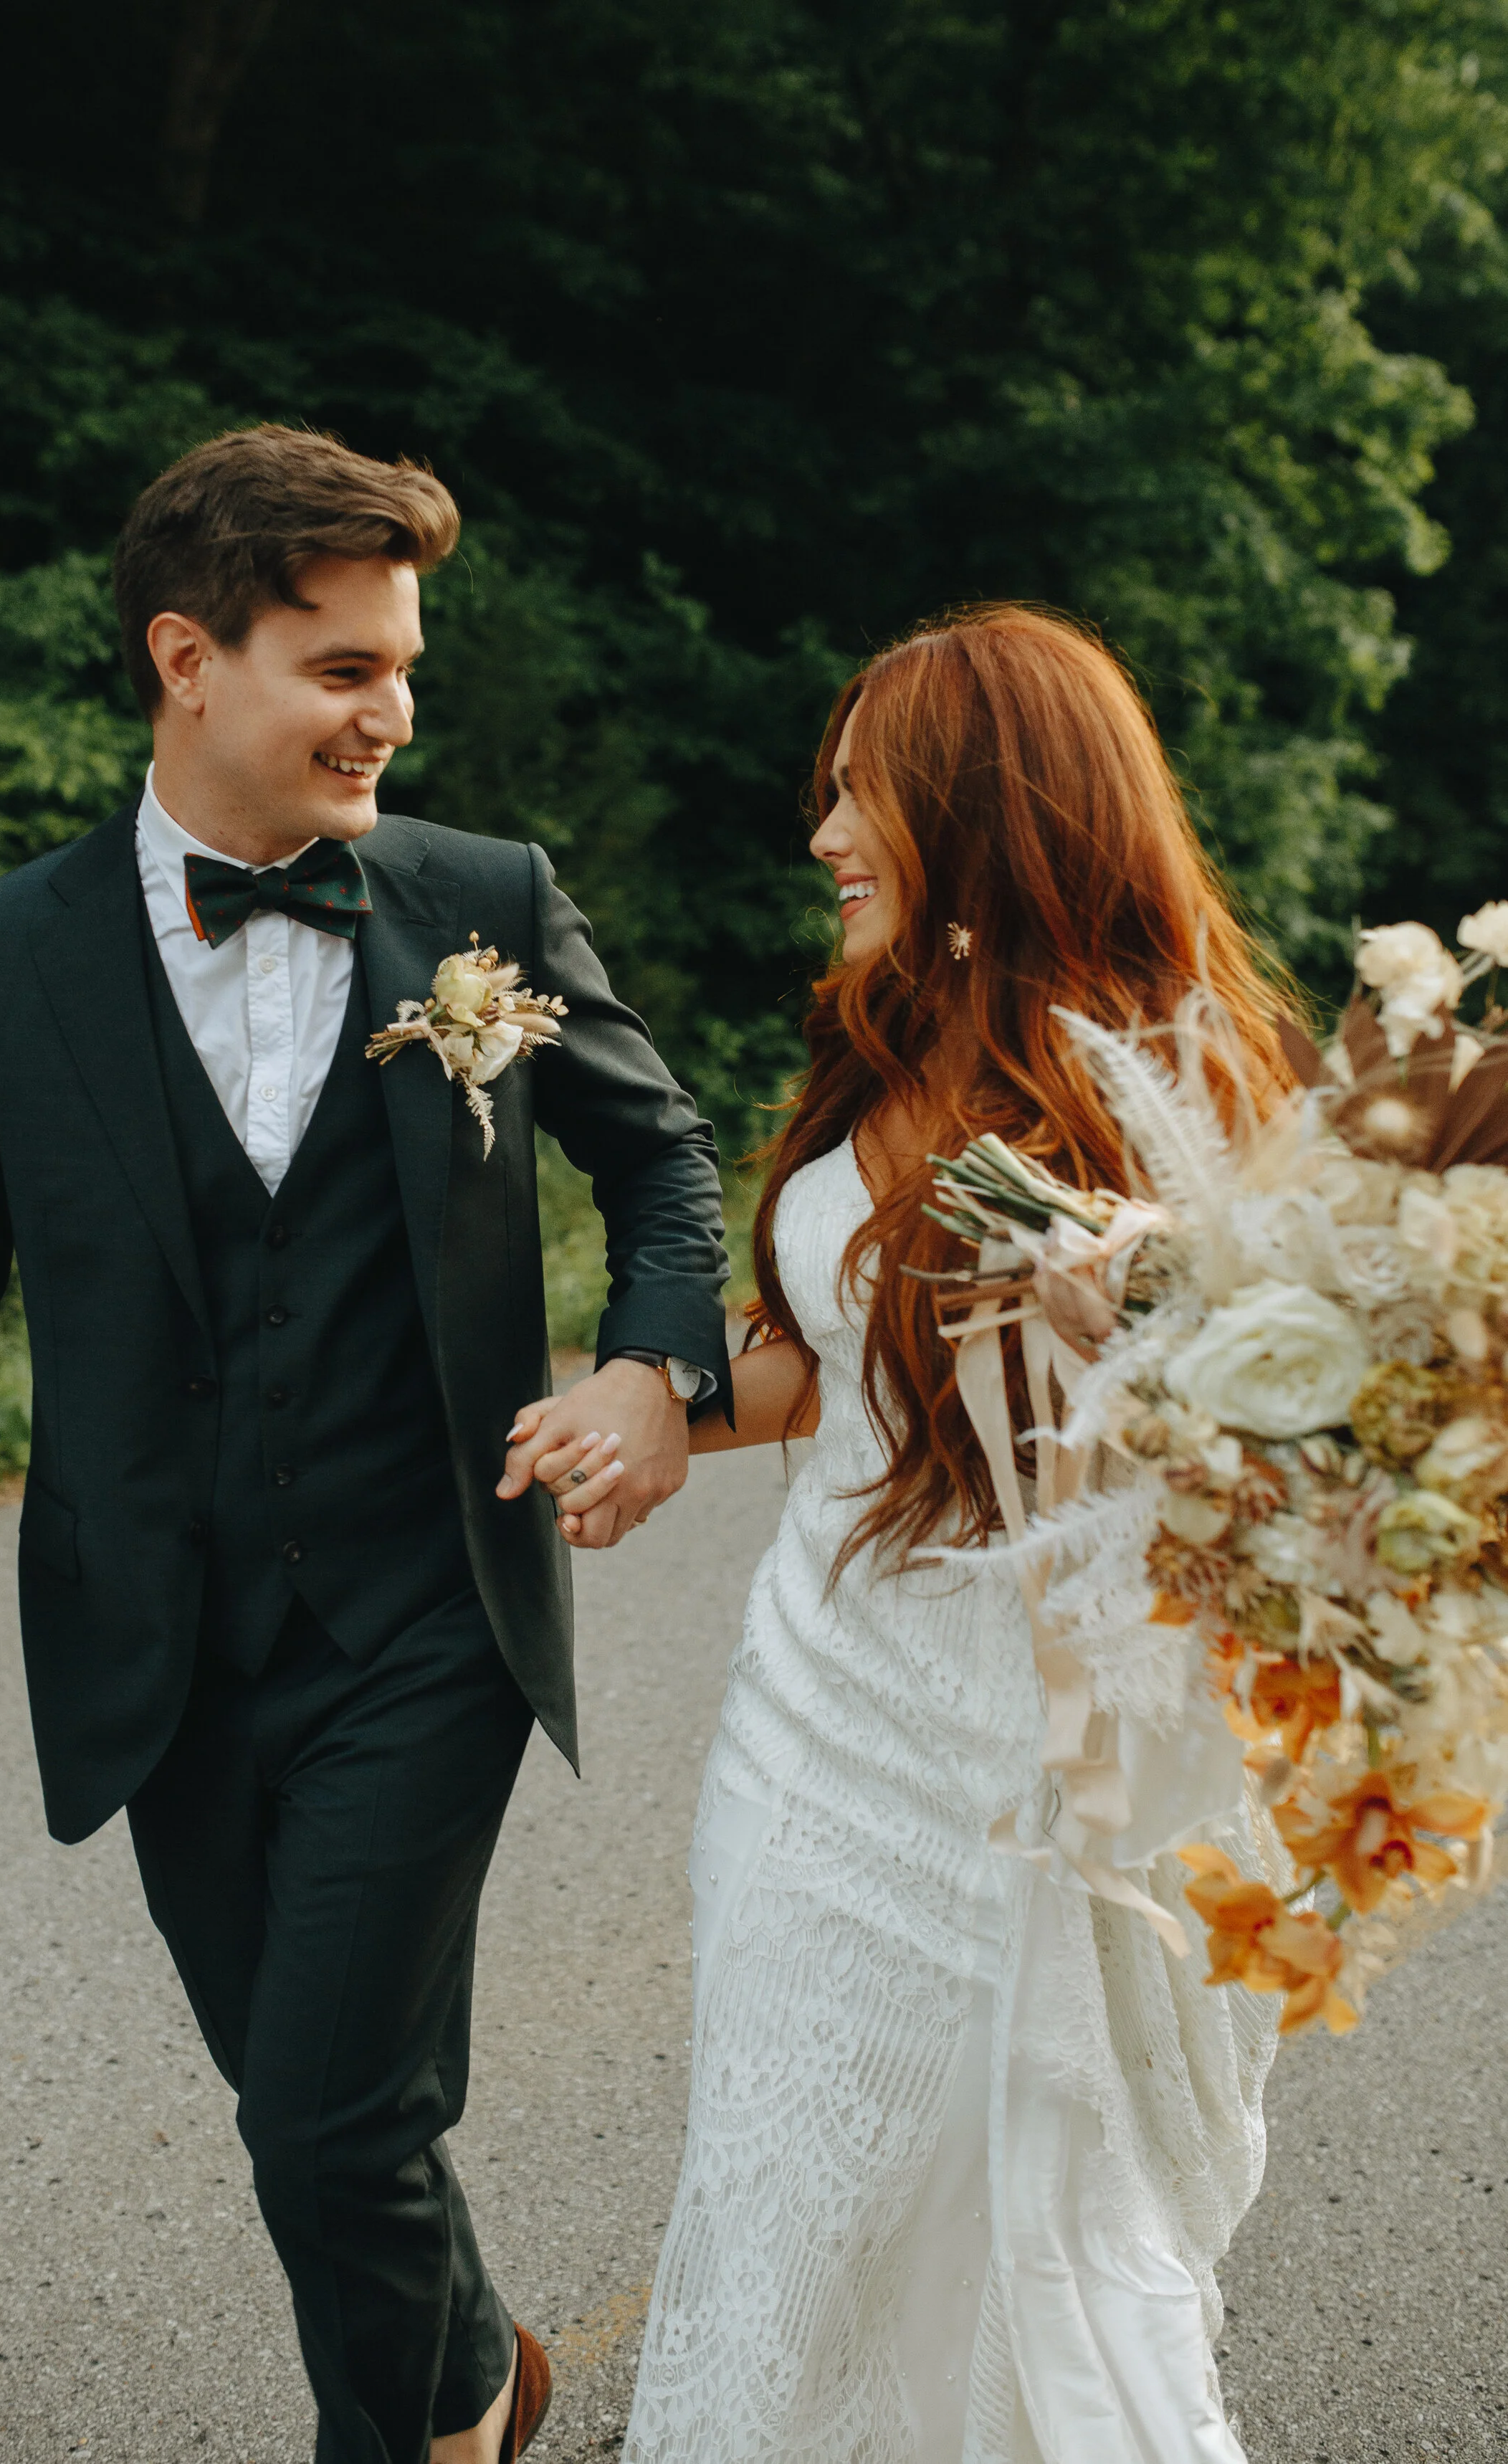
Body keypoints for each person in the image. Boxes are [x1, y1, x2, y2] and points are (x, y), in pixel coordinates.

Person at [0, 424, 732, 2464]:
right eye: (342, 668)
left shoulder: (483, 902)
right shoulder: (1, 959)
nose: (392, 711)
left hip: (431, 1616)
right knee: (317, 2113)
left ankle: (416, 2438)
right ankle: (477, 2366)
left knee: (327, 2111)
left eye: (400, 665)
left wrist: (657, 1365)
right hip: (164, 1651)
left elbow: (662, 1165)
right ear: (185, 657)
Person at [618, 607, 1283, 2463]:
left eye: (863, 795)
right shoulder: (875, 1046)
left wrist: (1149, 1344)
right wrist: (644, 1395)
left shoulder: (1188, 1095)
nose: (822, 833)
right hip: (811, 1731)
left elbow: (1297, 1457)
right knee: (786, 2201)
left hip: (1046, 1768)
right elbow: (826, 1354)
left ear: (990, 813)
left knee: (1034, 2229)